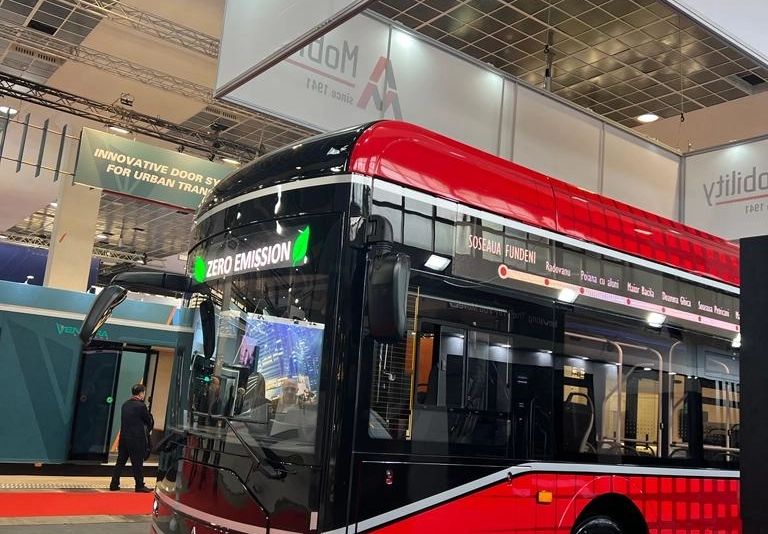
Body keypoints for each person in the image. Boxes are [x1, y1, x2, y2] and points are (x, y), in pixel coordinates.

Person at [109, 384, 154, 492]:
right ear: (141, 393)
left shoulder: (125, 404)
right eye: (143, 392)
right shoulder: (141, 406)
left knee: (120, 462)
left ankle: (114, 483)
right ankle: (139, 485)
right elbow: (149, 421)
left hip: (124, 438)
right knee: (137, 463)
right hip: (136, 439)